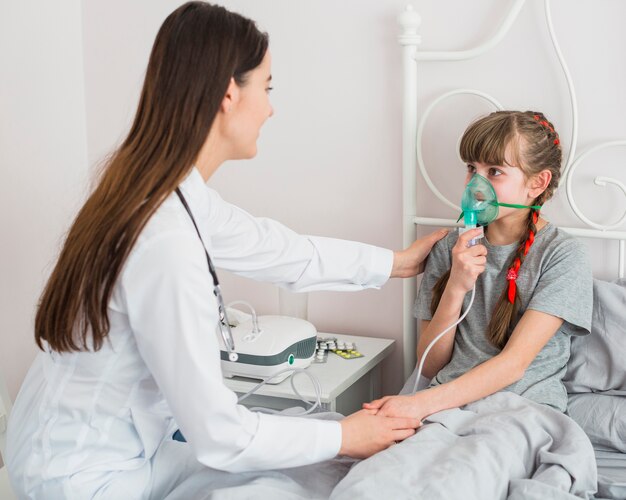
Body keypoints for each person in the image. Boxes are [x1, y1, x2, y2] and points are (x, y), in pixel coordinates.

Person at [5, 2, 446, 499]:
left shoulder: (166, 193)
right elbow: (220, 435)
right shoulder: (163, 239)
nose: (272, 107)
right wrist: (348, 434)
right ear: (229, 94)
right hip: (83, 478)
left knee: (324, 470)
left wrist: (397, 263)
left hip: (115, 449)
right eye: (269, 87)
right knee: (322, 464)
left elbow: (280, 250)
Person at [353, 110, 596, 498]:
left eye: (495, 171)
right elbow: (430, 363)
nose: (476, 184)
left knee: (455, 483)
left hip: (521, 411)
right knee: (373, 483)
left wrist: (418, 405)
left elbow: (514, 364)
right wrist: (456, 286)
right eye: (471, 168)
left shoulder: (563, 257)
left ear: (537, 183)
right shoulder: (451, 247)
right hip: (443, 405)